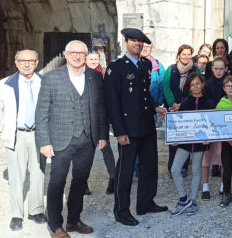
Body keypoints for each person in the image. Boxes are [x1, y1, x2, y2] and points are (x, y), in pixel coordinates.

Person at [36, 40, 109, 237]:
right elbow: (42, 113)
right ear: (65, 54)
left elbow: (101, 108)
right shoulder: (51, 78)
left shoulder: (95, 77)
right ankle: (55, 225)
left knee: (80, 180)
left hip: (88, 139)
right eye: (73, 53)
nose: (77, 56)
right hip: (60, 140)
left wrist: (102, 135)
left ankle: (74, 220)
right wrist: (44, 142)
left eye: (81, 53)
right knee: (57, 182)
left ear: (86, 56)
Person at [103, 29, 168, 227]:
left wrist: (156, 105)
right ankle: (121, 210)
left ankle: (145, 203)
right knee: (126, 171)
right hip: (128, 129)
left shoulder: (145, 64)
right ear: (126, 42)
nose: (138, 44)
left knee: (149, 167)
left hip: (146, 124)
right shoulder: (116, 68)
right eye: (133, 41)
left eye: (141, 41)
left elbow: (143, 92)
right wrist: (119, 132)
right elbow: (112, 102)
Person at [0, 49, 46, 231]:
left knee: (38, 173)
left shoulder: (43, 82)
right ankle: (16, 214)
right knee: (16, 176)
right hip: (17, 134)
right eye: (22, 60)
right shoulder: (5, 84)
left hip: (38, 133)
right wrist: (4, 129)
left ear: (37, 63)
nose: (26, 64)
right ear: (16, 63)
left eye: (30, 61)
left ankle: (36, 210)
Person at [169, 73, 215, 217]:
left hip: (200, 144)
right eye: (192, 85)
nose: (195, 87)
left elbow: (211, 125)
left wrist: (209, 138)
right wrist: (175, 137)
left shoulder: (209, 103)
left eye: (198, 84)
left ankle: (193, 201)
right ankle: (183, 199)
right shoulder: (185, 103)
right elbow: (179, 123)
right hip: (185, 143)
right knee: (175, 169)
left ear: (202, 84)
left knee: (196, 171)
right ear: (188, 87)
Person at [163, 45, 200, 176]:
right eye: (183, 54)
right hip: (173, 110)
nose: (186, 57)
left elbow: (198, 87)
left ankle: (183, 167)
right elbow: (166, 87)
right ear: (179, 55)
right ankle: (172, 167)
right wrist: (172, 103)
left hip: (189, 109)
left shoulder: (196, 70)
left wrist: (184, 104)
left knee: (186, 139)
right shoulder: (170, 69)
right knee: (173, 140)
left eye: (189, 54)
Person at [85, 51, 116, 195]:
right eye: (90, 59)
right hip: (86, 119)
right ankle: (83, 182)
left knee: (106, 149)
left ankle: (113, 179)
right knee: (85, 153)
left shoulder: (103, 75)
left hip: (100, 117)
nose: (93, 61)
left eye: (95, 59)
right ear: (85, 59)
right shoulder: (81, 75)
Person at [202, 57, 228, 200]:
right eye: (216, 68)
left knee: (223, 156)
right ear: (212, 69)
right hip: (209, 124)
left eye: (221, 68)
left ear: (225, 69)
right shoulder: (206, 85)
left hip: (223, 125)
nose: (218, 71)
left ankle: (223, 185)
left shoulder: (229, 83)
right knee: (207, 157)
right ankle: (205, 187)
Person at [215, 75, 232, 207]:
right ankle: (226, 192)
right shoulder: (220, 104)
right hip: (227, 141)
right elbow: (218, 124)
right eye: (228, 86)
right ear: (224, 89)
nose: (231, 88)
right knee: (227, 167)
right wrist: (228, 139)